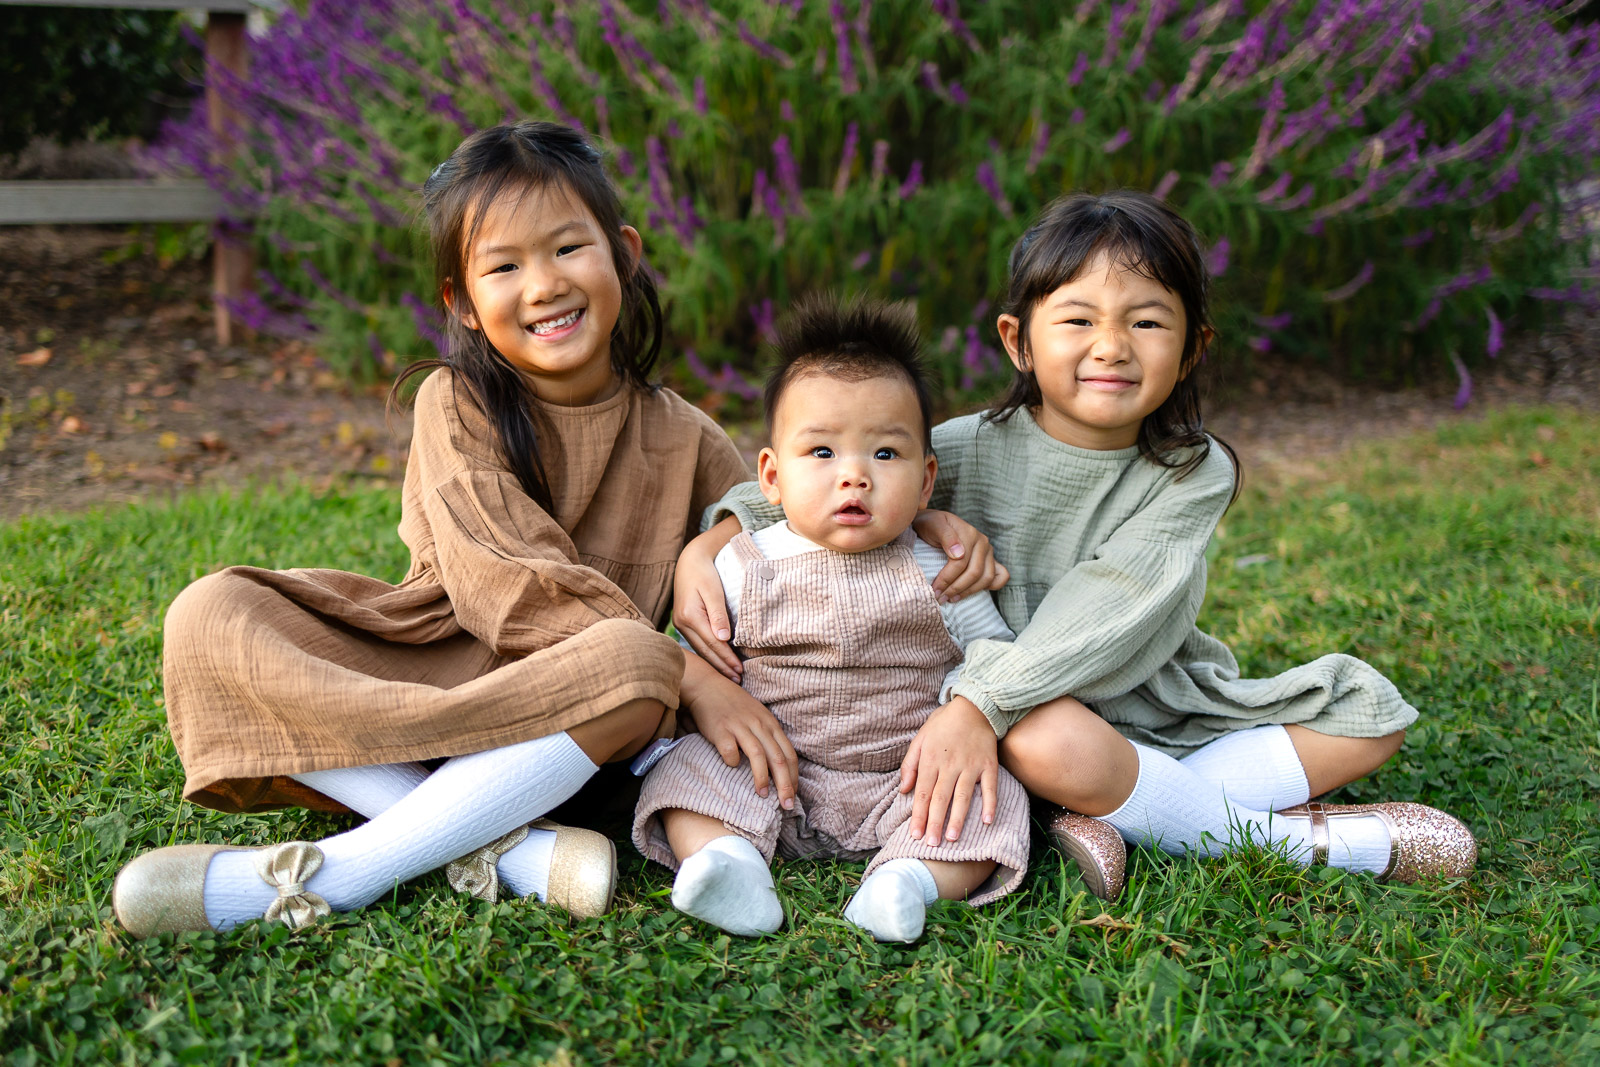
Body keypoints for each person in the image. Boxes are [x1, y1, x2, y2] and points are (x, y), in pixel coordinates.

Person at [675, 191, 1476, 902]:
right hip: (1025, 726)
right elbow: (818, 483)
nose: (1112, 346)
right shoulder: (963, 447)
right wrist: (708, 545)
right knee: (1046, 737)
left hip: (1126, 704)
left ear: (1193, 346)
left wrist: (974, 704)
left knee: (1370, 720)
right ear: (1019, 341)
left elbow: (1107, 605)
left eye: (1147, 321)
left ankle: (1119, 812)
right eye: (1080, 319)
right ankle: (1292, 843)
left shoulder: (1191, 471)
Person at [110, 121, 795, 937]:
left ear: (625, 253)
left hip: (577, 733)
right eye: (503, 266)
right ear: (463, 303)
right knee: (211, 614)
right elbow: (500, 580)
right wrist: (693, 676)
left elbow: (785, 528)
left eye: (568, 249)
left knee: (635, 656)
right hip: (431, 685)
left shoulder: (685, 435)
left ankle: (349, 873)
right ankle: (507, 851)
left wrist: (717, 548)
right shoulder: (455, 403)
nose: (542, 284)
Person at [632, 295, 1030, 944]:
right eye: (821, 452)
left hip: (904, 781)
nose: (854, 477)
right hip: (768, 772)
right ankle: (728, 863)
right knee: (686, 770)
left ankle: (906, 881)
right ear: (771, 475)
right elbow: (698, 659)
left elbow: (996, 655)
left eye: (884, 454)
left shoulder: (942, 564)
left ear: (927, 480)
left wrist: (970, 714)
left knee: (993, 800)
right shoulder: (739, 563)